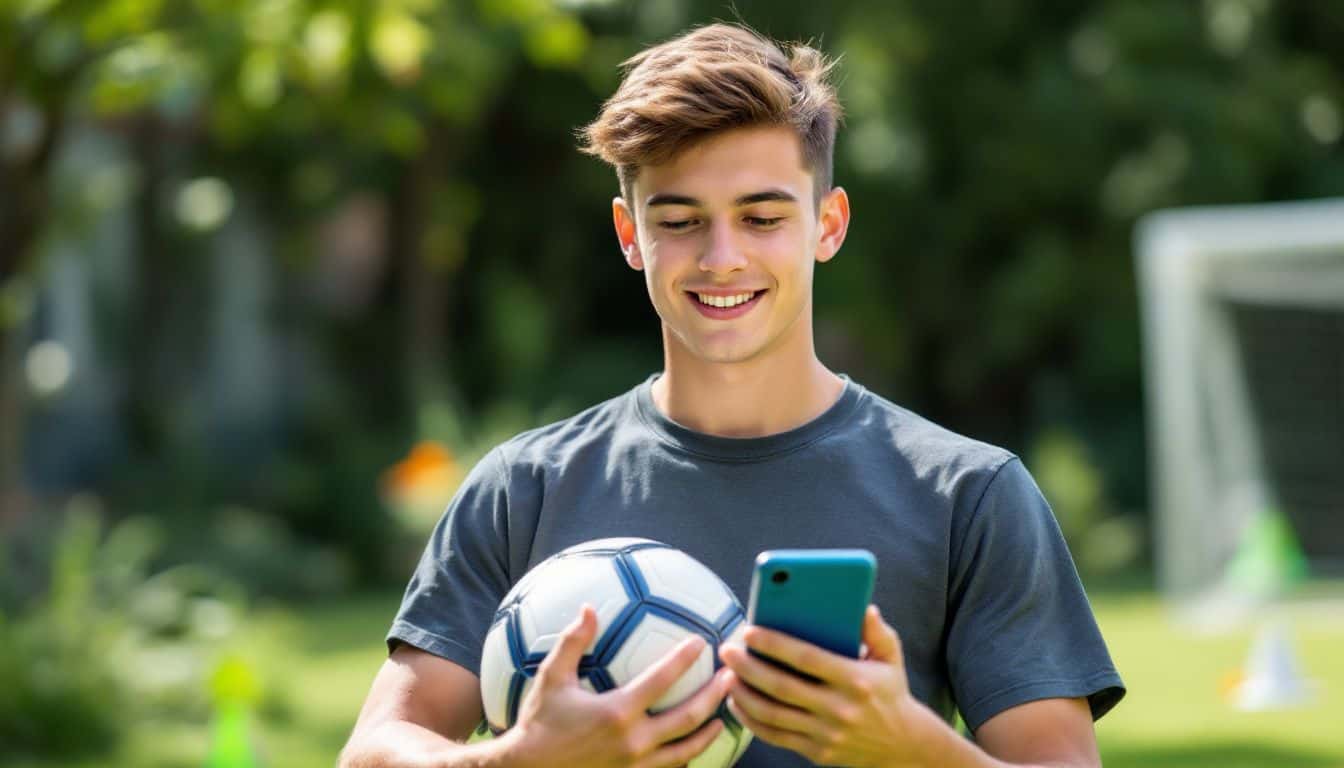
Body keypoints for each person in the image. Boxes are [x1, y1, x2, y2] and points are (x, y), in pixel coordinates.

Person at [339, 22, 1124, 768]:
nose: (722, 258)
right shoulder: (524, 490)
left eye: (761, 217)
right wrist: (518, 760)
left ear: (828, 222)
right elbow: (377, 747)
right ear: (627, 232)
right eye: (679, 220)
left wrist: (908, 746)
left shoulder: (969, 497)